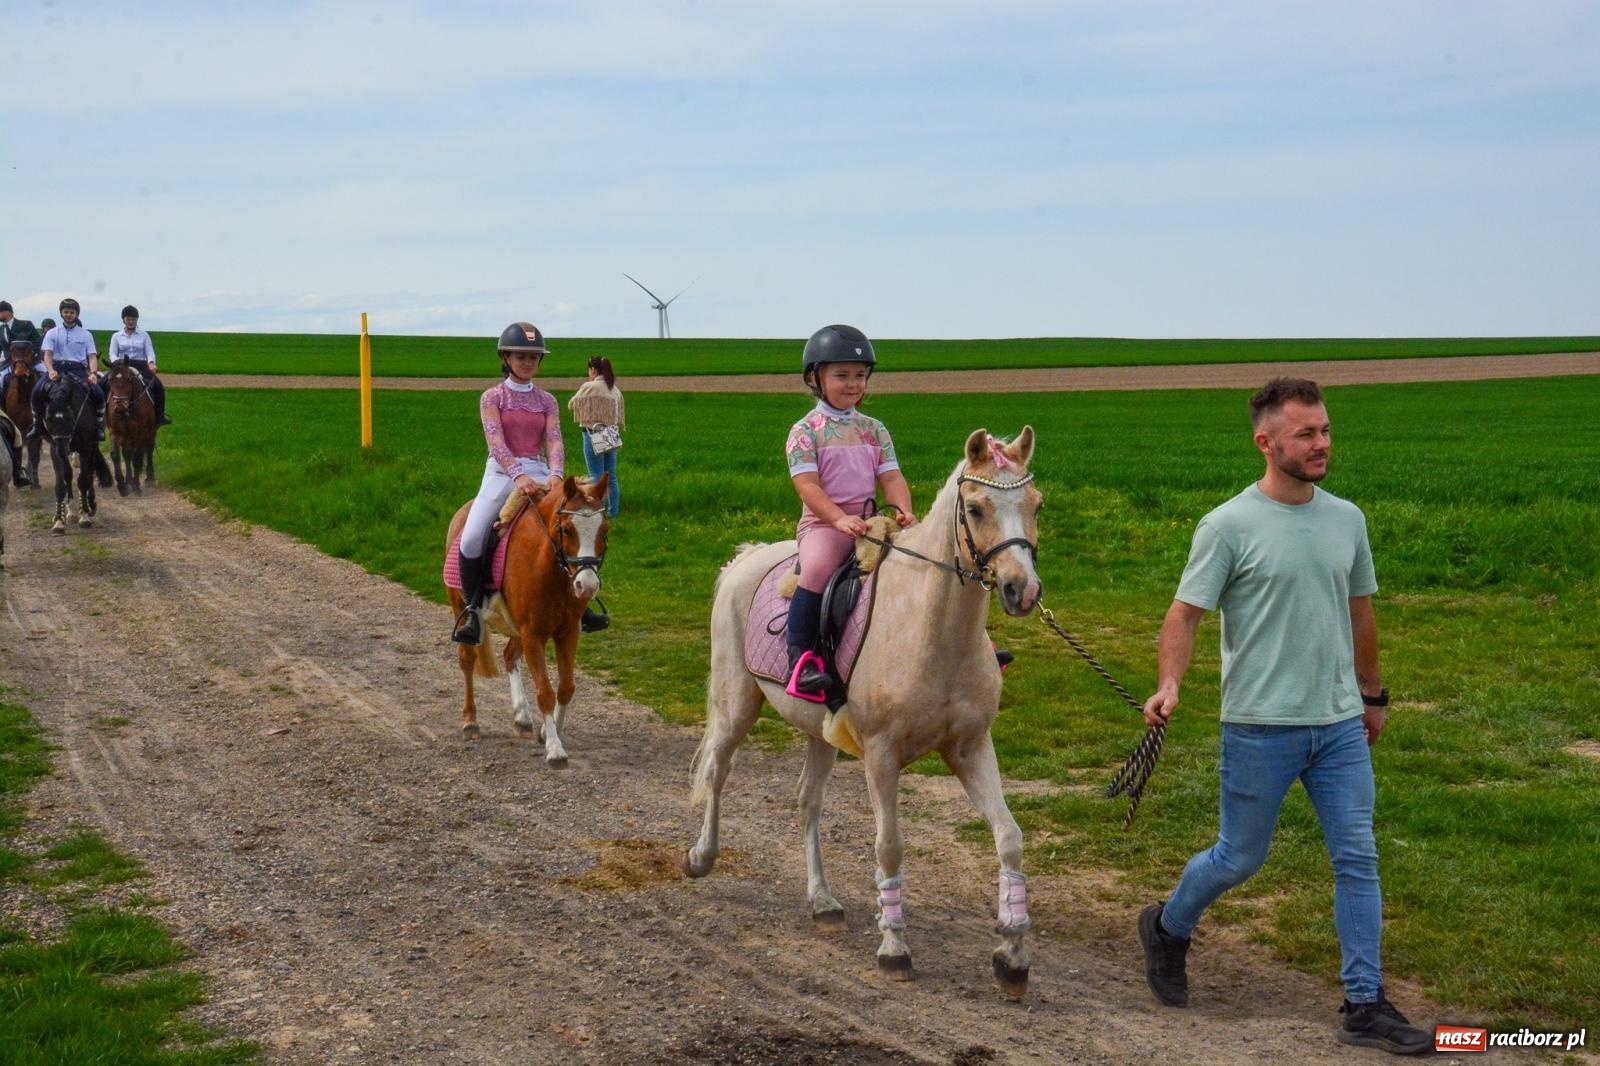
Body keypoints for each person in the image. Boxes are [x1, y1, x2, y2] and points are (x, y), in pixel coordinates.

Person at [1136, 378, 1430, 1056]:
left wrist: (1374, 694)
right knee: (1239, 858)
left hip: (1337, 727)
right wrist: (1169, 684)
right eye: (1306, 433)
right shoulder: (1228, 526)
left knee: (1357, 856)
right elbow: (1184, 614)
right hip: (1260, 726)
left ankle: (1364, 1003)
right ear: (1266, 443)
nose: (1322, 443)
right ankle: (1168, 926)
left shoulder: (1346, 519)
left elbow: (1360, 610)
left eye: (1325, 430)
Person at [783, 324, 916, 698]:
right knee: (819, 568)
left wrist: (903, 512)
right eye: (841, 375)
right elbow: (807, 486)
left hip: (872, 521)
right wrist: (838, 519)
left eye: (860, 376)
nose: (853, 383)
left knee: (927, 560)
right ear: (815, 378)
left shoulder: (875, 429)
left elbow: (891, 477)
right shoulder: (805, 431)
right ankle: (802, 659)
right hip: (824, 525)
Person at [451, 322, 566, 646]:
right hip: (502, 474)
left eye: (534, 357)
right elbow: (496, 443)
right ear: (506, 357)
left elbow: (554, 440)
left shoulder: (547, 401)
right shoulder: (493, 397)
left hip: (541, 471)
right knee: (472, 536)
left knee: (574, 523)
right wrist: (519, 476)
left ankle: (579, 605)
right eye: (521, 356)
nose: (528, 362)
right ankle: (473, 609)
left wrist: (556, 474)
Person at [32, 298, 105, 441]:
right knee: (36, 391)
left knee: (99, 393)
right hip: (57, 368)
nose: (68, 314)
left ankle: (99, 426)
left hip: (78, 369)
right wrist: (51, 370)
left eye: (72, 312)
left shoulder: (86, 334)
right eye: (65, 312)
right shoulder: (52, 333)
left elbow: (92, 357)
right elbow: (47, 355)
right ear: (61, 313)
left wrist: (93, 373)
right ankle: (37, 425)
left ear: (77, 314)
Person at [567, 356, 624, 518]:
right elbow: (619, 412)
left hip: (592, 435)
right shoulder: (614, 388)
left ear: (592, 370)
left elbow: (572, 405)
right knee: (610, 476)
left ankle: (599, 512)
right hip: (610, 435)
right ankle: (613, 512)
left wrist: (589, 409)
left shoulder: (589, 386)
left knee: (596, 477)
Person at [105, 304, 171, 425]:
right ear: (123, 320)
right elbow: (112, 353)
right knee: (101, 384)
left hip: (140, 366)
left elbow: (149, 352)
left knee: (159, 387)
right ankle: (102, 417)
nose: (131, 322)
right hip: (121, 366)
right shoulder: (116, 336)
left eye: (133, 319)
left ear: (137, 320)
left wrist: (151, 363)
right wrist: (116, 364)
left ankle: (159, 416)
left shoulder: (144, 335)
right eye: (128, 319)